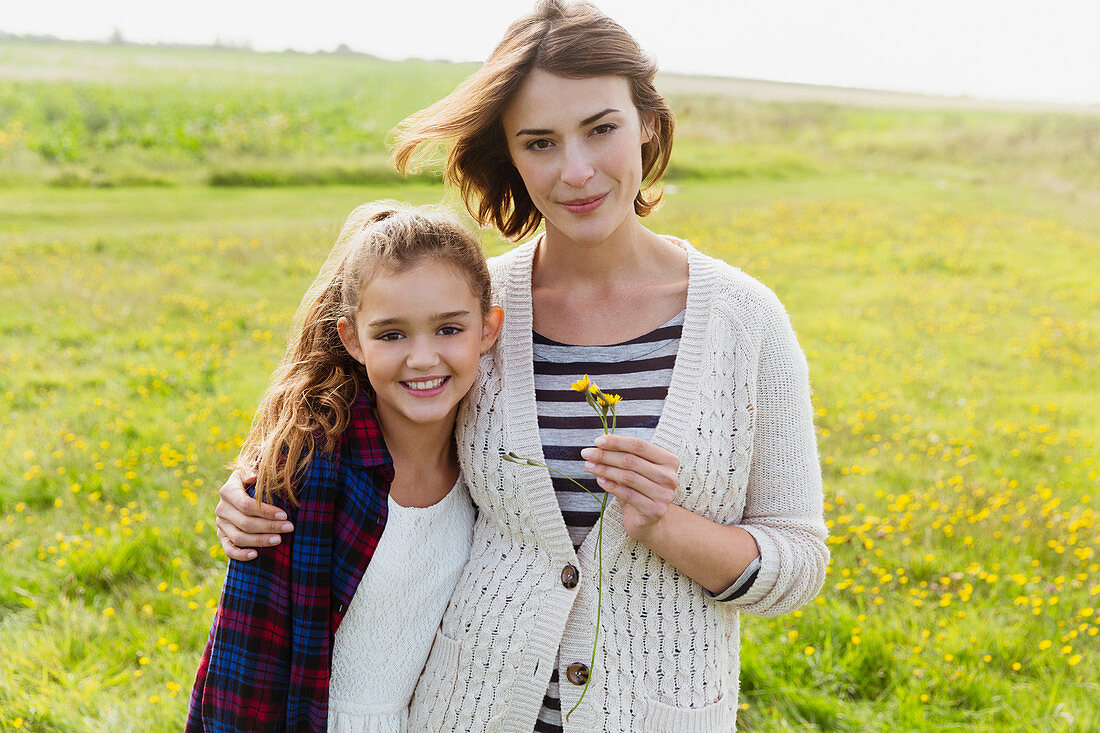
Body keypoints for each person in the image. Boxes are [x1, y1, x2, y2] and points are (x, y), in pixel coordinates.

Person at [215, 2, 828, 731]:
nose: (576, 171)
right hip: (466, 712)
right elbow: (354, 433)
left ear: (649, 125)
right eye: (539, 142)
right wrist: (258, 485)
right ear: (511, 154)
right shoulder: (469, 310)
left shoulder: (745, 322)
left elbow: (798, 563)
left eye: (601, 128)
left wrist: (664, 524)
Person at [187, 202, 503, 732]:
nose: (423, 358)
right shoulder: (309, 475)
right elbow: (246, 664)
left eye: (449, 329)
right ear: (353, 339)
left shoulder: (492, 457)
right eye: (391, 334)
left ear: (488, 329)